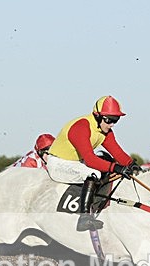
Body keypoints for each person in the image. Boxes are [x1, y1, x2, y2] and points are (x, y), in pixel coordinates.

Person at [46, 95, 140, 231]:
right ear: (97, 116)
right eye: (109, 120)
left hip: (75, 163)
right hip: (58, 164)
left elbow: (118, 153)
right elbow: (90, 160)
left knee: (104, 171)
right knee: (94, 173)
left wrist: (131, 165)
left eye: (116, 120)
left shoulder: (104, 131)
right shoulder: (81, 127)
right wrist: (117, 168)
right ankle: (84, 218)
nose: (112, 124)